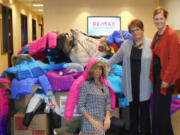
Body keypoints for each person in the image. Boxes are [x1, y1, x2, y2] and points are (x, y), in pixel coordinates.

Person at [107, 19, 152, 135]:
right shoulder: (126, 45)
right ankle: (134, 132)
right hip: (131, 84)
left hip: (145, 85)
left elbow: (156, 63)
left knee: (144, 114)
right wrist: (103, 66)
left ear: (142, 30)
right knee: (132, 113)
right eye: (132, 31)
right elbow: (115, 58)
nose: (135, 32)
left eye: (137, 29)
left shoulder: (151, 44)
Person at [150, 6, 180, 135]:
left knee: (161, 111)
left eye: (161, 18)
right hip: (157, 77)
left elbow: (174, 60)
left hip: (165, 79)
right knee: (158, 111)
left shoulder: (171, 34)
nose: (158, 21)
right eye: (156, 19)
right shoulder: (157, 34)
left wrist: (166, 80)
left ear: (165, 19)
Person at [77, 59, 115, 135]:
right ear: (92, 70)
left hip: (101, 124)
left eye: (100, 69)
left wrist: (107, 118)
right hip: (89, 125)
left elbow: (108, 104)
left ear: (102, 71)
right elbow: (80, 106)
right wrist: (93, 121)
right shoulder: (85, 85)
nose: (98, 71)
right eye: (96, 68)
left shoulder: (105, 87)